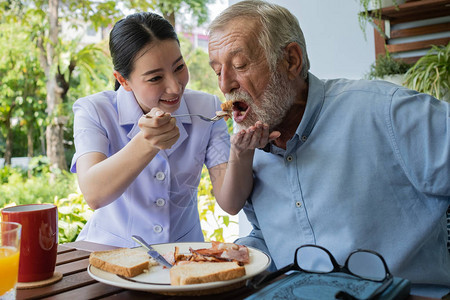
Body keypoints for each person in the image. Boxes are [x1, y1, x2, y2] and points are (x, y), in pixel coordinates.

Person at [207, 0, 450, 297]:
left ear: (291, 61)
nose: (225, 84)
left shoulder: (387, 113)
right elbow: (269, 236)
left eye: (240, 65)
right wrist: (228, 261)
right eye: (217, 70)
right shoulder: (251, 143)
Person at [70, 12, 232, 248]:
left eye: (179, 67)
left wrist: (244, 147)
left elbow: (229, 200)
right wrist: (146, 142)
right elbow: (94, 194)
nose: (175, 87)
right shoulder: (94, 110)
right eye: (155, 78)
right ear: (123, 80)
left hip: (185, 255)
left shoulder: (208, 109)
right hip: (108, 253)